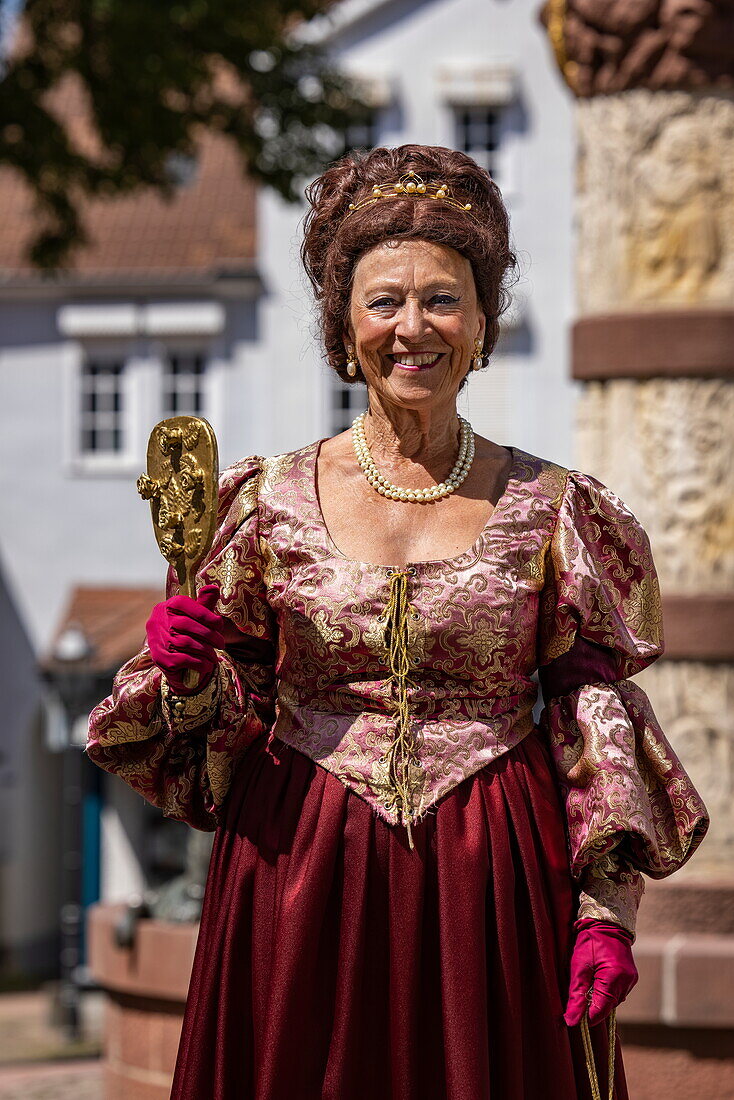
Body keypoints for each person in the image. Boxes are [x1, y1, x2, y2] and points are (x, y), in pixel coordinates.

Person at [87, 144, 709, 1100]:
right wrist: (192, 675)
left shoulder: (553, 508)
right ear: (343, 326)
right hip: (299, 874)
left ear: (481, 325)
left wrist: (603, 911)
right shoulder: (265, 502)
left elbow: (591, 707)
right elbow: (226, 718)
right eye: (383, 301)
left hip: (492, 880)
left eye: (442, 299)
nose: (411, 327)